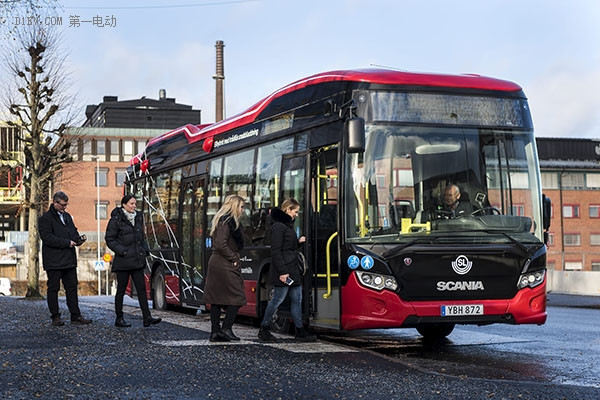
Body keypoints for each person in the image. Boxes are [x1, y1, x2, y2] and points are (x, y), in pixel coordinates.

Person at [258, 199, 316, 342]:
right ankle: (264, 328)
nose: (296, 215)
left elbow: (286, 248)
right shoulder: (279, 227)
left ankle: (299, 330)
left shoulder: (285, 226)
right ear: (288, 210)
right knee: (278, 299)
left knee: (297, 299)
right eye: (295, 211)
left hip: (291, 268)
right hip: (284, 270)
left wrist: (297, 243)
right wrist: (283, 272)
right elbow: (276, 251)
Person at [105, 195, 161, 328]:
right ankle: (119, 318)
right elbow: (109, 239)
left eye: (135, 203)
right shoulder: (116, 219)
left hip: (137, 259)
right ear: (124, 204)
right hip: (123, 261)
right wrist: (123, 251)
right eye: (131, 204)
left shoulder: (138, 217)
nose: (134, 206)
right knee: (121, 290)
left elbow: (141, 238)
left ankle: (147, 317)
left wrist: (144, 250)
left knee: (142, 289)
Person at [38, 191, 92, 327]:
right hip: (54, 260)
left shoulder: (67, 217)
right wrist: (67, 243)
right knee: (53, 288)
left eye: (66, 205)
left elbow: (73, 232)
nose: (64, 208)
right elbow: (47, 238)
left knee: (72, 287)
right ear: (55, 203)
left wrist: (77, 240)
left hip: (69, 259)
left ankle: (75, 315)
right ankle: (55, 316)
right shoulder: (45, 218)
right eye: (62, 205)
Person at [203, 194, 247, 342]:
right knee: (237, 296)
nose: (242, 210)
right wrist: (233, 258)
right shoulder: (227, 222)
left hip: (219, 262)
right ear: (234, 206)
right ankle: (226, 328)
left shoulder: (223, 221)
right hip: (224, 263)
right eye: (241, 207)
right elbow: (221, 244)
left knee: (217, 298)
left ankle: (216, 332)